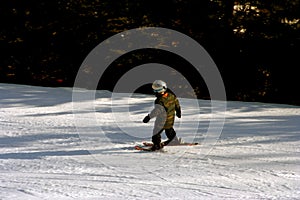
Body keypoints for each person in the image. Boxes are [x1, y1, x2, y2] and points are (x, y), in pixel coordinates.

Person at [143, 80, 181, 151]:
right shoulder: (172, 96)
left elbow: (157, 111)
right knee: (169, 129)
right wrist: (178, 112)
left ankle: (156, 145)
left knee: (156, 133)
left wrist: (148, 117)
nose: (155, 92)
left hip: (161, 121)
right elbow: (177, 105)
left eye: (156, 91)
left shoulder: (159, 100)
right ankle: (174, 140)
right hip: (170, 119)